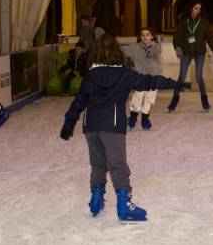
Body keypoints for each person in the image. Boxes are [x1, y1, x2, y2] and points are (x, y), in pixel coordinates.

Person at [59, 34, 188, 221]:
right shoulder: (123, 74)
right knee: (117, 164)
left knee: (98, 164)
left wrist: (68, 124)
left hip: (91, 126)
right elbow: (148, 81)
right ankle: (124, 205)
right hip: (112, 126)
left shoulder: (91, 76)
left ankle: (96, 200)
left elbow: (79, 102)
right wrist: (173, 84)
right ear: (116, 53)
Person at [168, 0, 213, 112]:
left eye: (199, 8)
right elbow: (177, 36)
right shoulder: (183, 21)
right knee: (181, 77)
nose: (198, 10)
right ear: (190, 8)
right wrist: (177, 48)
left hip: (199, 53)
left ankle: (204, 101)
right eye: (195, 8)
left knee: (198, 77)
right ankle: (174, 101)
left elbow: (210, 38)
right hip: (186, 52)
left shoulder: (203, 22)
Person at [125, 27, 162, 130]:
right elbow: (122, 50)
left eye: (147, 34)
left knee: (149, 98)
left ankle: (145, 118)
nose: (145, 37)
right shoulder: (135, 47)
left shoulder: (156, 47)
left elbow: (155, 51)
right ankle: (133, 115)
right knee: (138, 95)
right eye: (143, 35)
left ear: (152, 36)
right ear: (140, 37)